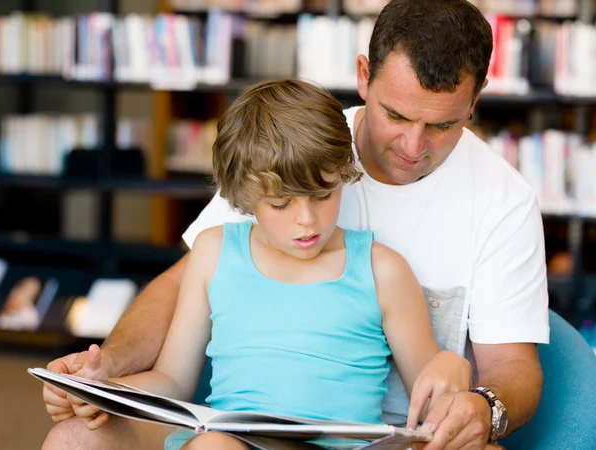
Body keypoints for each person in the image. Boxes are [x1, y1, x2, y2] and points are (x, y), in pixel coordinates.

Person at [42, 1, 549, 449]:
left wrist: (477, 404)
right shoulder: (300, 148)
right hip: (231, 430)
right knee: (86, 439)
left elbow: (508, 368)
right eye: (395, 115)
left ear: (476, 99)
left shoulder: (498, 203)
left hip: (381, 434)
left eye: (442, 125)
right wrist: (105, 374)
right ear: (363, 76)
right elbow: (180, 292)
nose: (413, 147)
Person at [50, 79, 472, 450]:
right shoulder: (214, 253)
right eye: (280, 203)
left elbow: (430, 394)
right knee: (207, 447)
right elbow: (172, 381)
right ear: (246, 197)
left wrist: (452, 368)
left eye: (323, 195)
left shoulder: (382, 270)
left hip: (343, 448)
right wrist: (101, 391)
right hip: (231, 442)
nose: (306, 219)